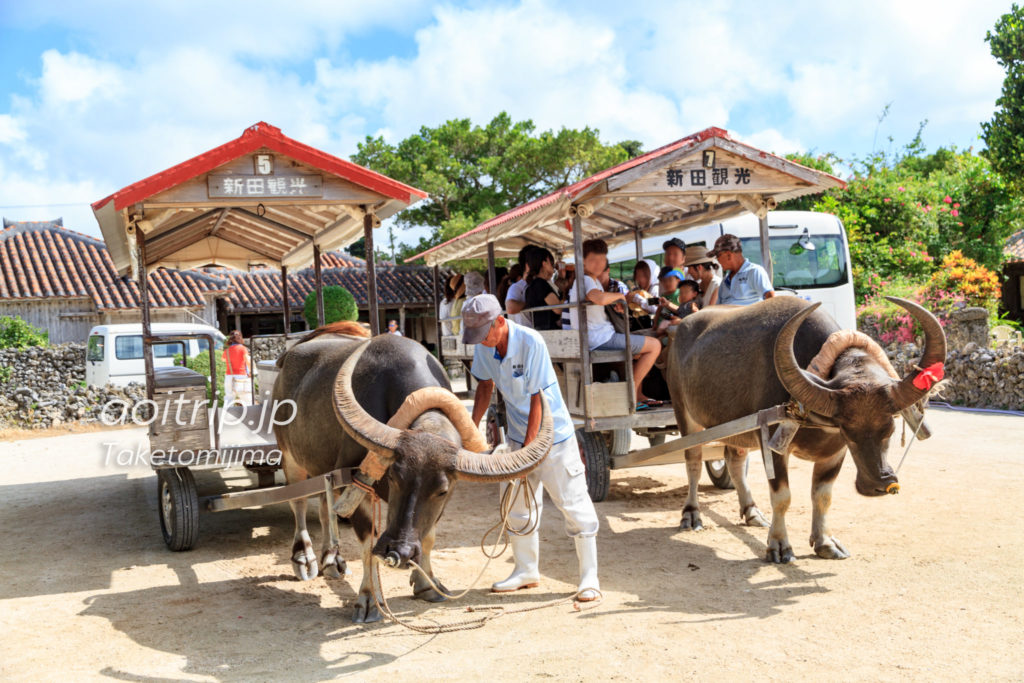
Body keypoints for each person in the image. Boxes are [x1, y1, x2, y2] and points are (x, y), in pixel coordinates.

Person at [463, 295, 600, 601]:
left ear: (500, 322)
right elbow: (485, 387)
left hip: (553, 438)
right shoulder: (485, 346)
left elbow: (537, 399)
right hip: (517, 435)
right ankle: (526, 571)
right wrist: (469, 431)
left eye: (484, 335)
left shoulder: (531, 342)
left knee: (573, 504)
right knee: (516, 507)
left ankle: (589, 576)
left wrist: (529, 452)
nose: (481, 343)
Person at [569, 239, 661, 408]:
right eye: (594, 260)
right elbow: (598, 297)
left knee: (639, 352)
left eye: (602, 259)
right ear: (583, 261)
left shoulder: (591, 280)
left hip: (600, 336)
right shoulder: (585, 279)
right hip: (599, 339)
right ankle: (630, 393)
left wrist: (616, 304)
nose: (599, 264)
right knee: (655, 345)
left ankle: (638, 395)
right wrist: (619, 297)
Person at [708, 234, 775, 305]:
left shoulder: (754, 271)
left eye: (718, 256)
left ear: (728, 255)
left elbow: (771, 298)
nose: (717, 260)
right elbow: (717, 308)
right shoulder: (724, 282)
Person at [524, 247, 563, 330]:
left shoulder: (533, 284)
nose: (554, 266)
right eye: (552, 263)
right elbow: (558, 309)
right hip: (551, 332)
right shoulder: (540, 284)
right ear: (544, 263)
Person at [505, 245, 537, 327]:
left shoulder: (540, 283)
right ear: (528, 265)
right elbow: (510, 308)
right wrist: (531, 304)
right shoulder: (517, 287)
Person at [222, 330, 252, 407]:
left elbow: (223, 359)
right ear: (240, 338)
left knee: (229, 398)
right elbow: (248, 361)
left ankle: (226, 416)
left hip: (229, 376)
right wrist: (251, 372)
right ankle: (249, 416)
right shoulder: (243, 349)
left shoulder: (227, 351)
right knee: (246, 399)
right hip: (241, 376)